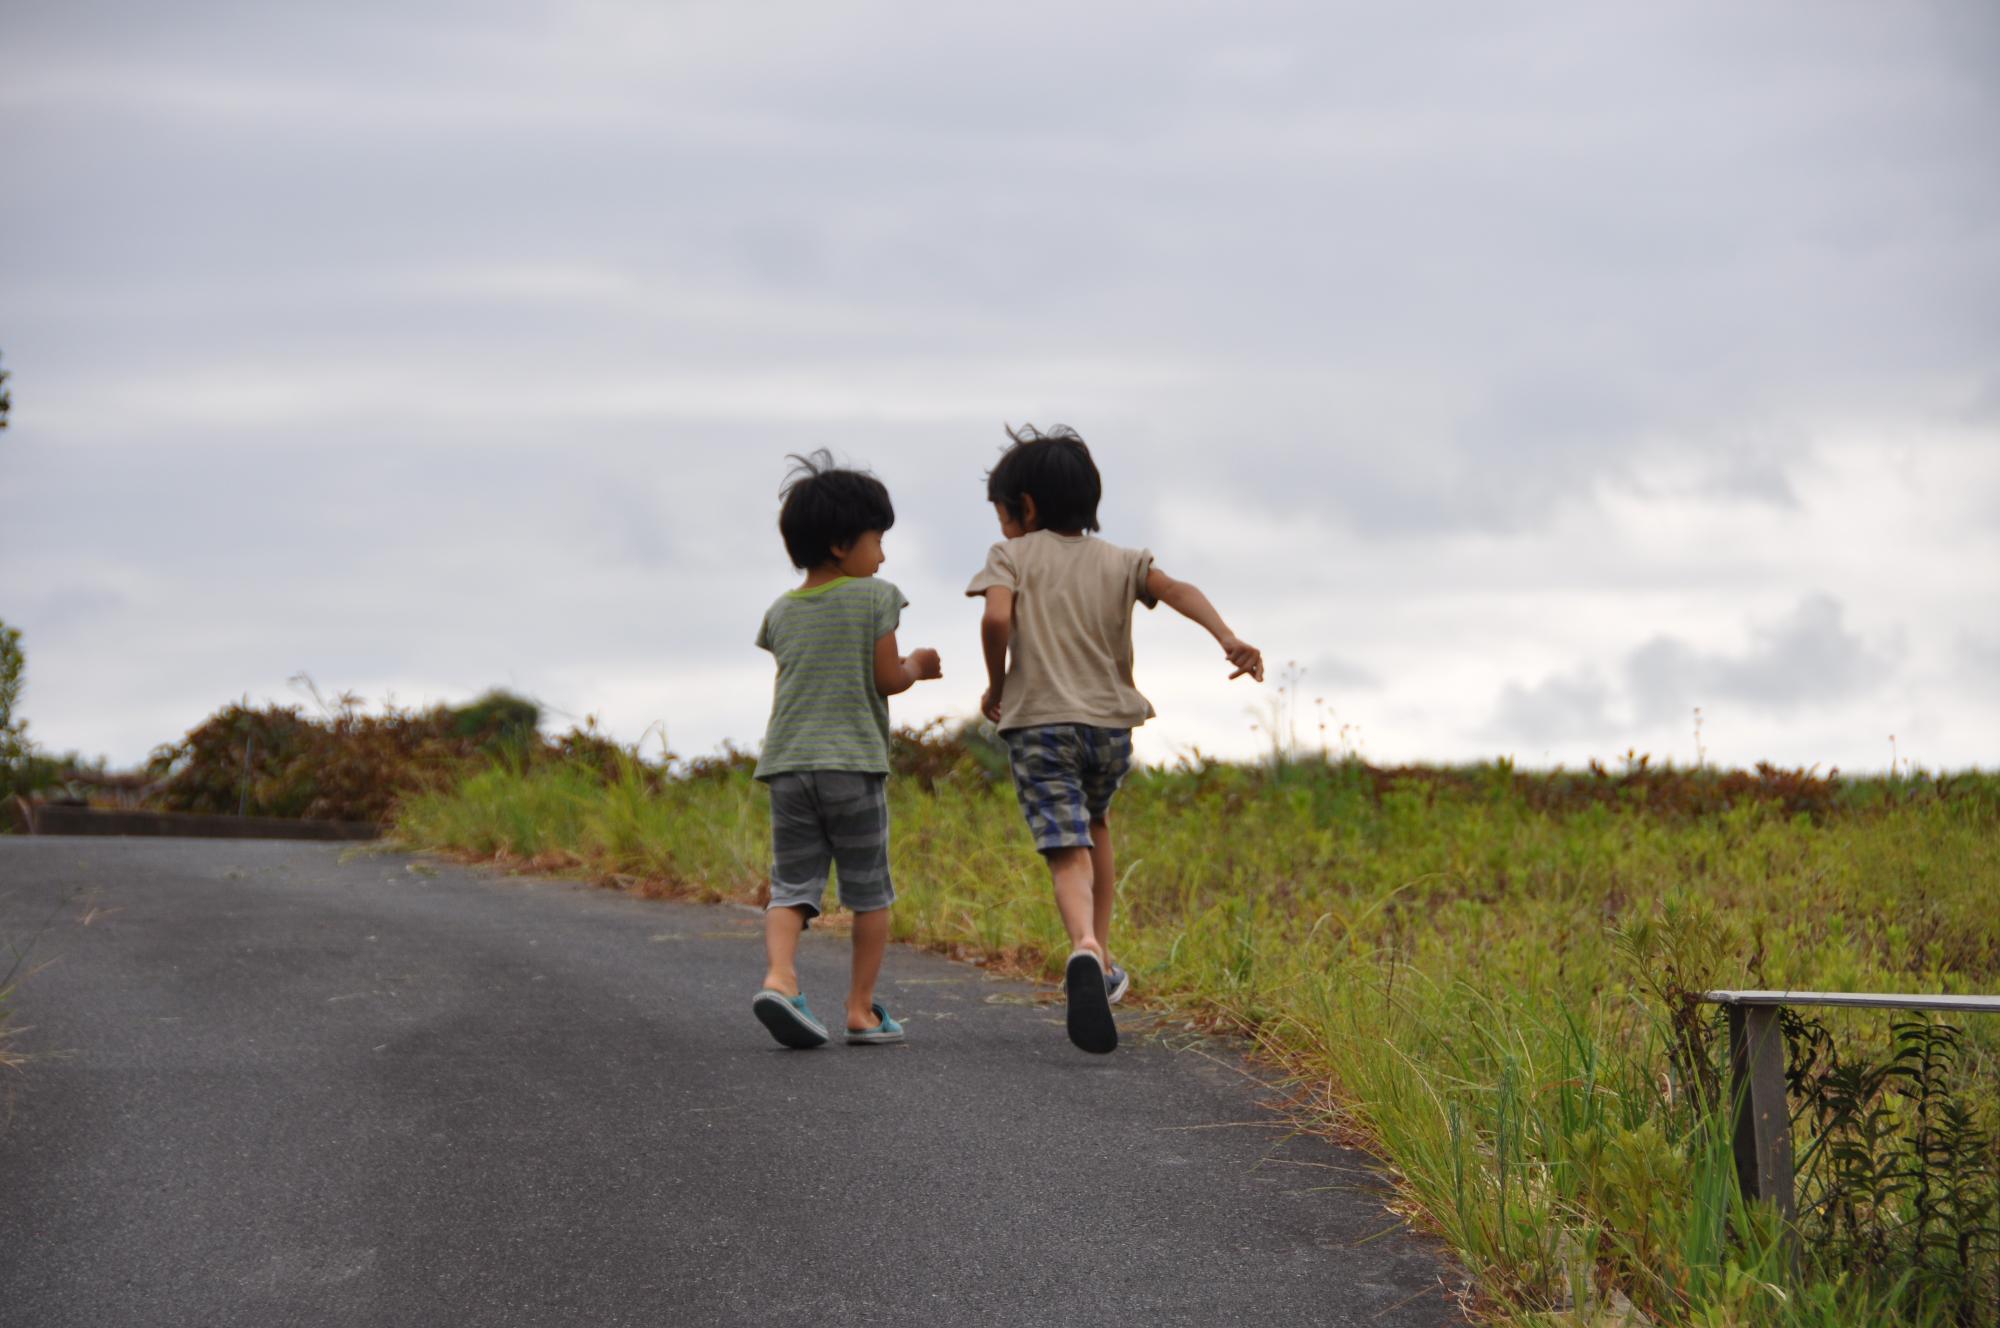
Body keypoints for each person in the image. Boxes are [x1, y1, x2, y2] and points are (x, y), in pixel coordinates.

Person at [966, 425, 1263, 1053]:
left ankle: (1084, 946)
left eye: (1002, 511)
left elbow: (996, 617)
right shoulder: (1123, 560)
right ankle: (1102, 962)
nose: (1001, 524)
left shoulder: (1010, 557)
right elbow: (1177, 590)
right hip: (1110, 726)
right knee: (1095, 822)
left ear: (1026, 507)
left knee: (1063, 845)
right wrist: (1227, 637)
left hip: (1041, 723)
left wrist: (998, 682)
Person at [751, 451, 942, 1049]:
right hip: (852, 766)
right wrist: (919, 665)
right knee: (868, 891)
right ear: (841, 544)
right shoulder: (875, 596)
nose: (881, 555)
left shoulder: (779, 611)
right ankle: (860, 1010)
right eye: (876, 540)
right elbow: (887, 678)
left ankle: (781, 979)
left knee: (792, 887)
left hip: (786, 766)